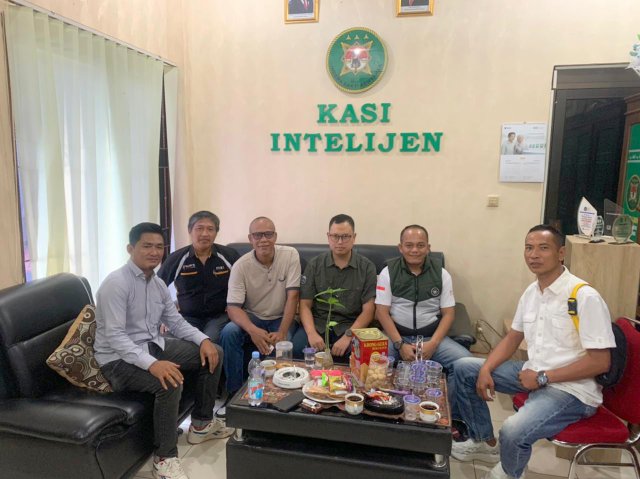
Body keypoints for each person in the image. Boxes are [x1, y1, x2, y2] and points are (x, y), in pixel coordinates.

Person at [451, 225, 616, 479]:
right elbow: (513, 337)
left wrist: (543, 377)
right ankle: (485, 443)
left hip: (571, 390)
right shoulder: (532, 292)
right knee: (464, 367)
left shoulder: (584, 296)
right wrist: (486, 368)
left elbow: (601, 361)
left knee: (512, 430)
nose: (534, 255)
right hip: (533, 372)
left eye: (543, 248)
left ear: (561, 253)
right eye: (529, 248)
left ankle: (509, 473)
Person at [95, 222, 232, 479]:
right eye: (147, 246)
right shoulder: (116, 284)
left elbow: (176, 322)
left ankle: (201, 424)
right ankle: (164, 458)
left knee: (214, 352)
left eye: (159, 247)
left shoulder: (157, 284)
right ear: (130, 248)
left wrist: (203, 340)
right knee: (169, 382)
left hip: (153, 345)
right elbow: (115, 337)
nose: (154, 252)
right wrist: (152, 364)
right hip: (117, 359)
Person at [375, 224, 472, 415]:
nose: (415, 250)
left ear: (428, 247)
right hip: (396, 337)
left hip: (431, 337)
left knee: (466, 364)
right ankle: (381, 411)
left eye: (420, 245)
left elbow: (449, 313)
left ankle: (451, 416)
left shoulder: (442, 274)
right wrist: (399, 344)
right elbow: (381, 312)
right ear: (400, 247)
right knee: (375, 362)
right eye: (409, 245)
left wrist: (433, 344)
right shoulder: (388, 272)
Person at [220, 216, 301, 395]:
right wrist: (253, 330)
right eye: (258, 235)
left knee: (283, 344)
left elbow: (293, 296)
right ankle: (234, 394)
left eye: (268, 234)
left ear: (275, 236)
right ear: (250, 239)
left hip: (282, 317)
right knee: (229, 332)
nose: (263, 239)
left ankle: (276, 395)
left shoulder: (290, 255)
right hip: (254, 316)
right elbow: (233, 307)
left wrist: (282, 331)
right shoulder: (240, 266)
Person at [291, 214, 376, 360]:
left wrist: (349, 336)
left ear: (354, 237)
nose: (340, 242)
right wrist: (311, 333)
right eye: (335, 236)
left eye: (345, 236)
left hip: (350, 326)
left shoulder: (367, 267)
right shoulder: (315, 265)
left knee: (362, 355)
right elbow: (304, 305)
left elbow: (369, 310)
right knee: (298, 348)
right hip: (318, 324)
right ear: (328, 237)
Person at [158, 211, 239, 344]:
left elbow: (244, 284)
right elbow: (156, 287)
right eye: (199, 228)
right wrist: (164, 317)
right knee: (173, 342)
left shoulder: (229, 255)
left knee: (210, 341)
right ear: (190, 231)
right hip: (187, 317)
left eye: (210, 229)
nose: (205, 234)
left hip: (219, 317)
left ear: (216, 232)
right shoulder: (177, 258)